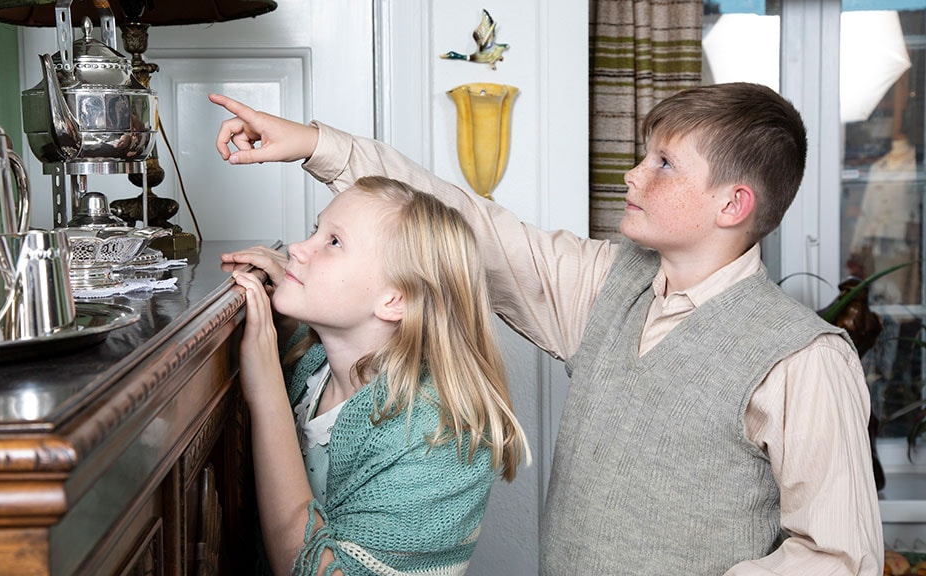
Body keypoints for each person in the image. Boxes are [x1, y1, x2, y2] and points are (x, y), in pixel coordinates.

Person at [210, 82, 884, 575]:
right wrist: (317, 145)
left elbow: (839, 560)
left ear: (733, 204)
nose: (634, 174)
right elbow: (466, 227)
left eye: (665, 164)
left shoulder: (806, 358)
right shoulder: (603, 285)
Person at [225, 174, 531, 575]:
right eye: (316, 230)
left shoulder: (437, 439)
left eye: (334, 242)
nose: (297, 249)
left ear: (395, 299)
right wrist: (295, 295)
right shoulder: (312, 363)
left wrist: (266, 395)